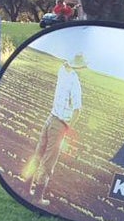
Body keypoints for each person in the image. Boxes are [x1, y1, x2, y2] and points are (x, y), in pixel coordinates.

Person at [28, 52, 85, 201]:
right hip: (59, 125)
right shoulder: (74, 82)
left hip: (50, 119)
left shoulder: (62, 71)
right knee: (48, 162)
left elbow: (65, 64)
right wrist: (69, 128)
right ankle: (38, 197)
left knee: (38, 154)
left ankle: (25, 188)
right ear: (81, 67)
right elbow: (78, 109)